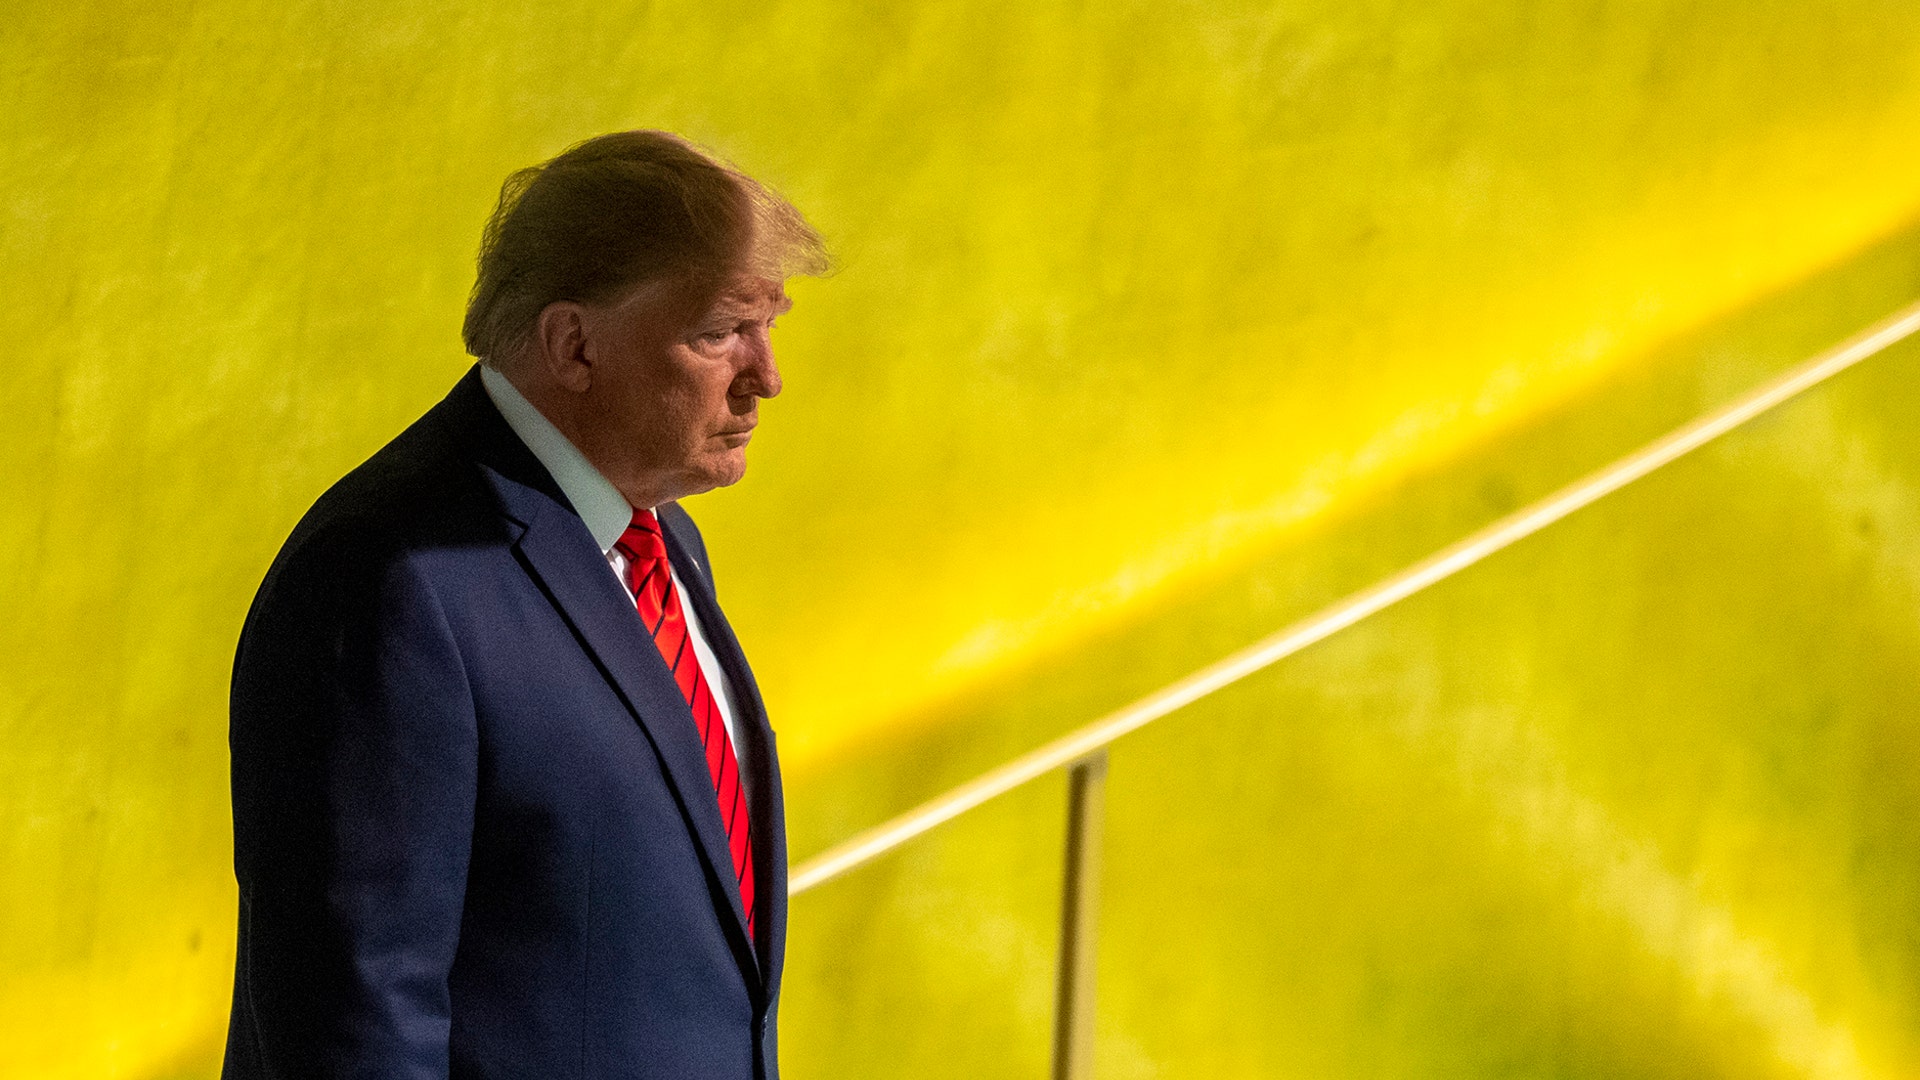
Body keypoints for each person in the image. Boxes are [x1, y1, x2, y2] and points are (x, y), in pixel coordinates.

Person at [223, 130, 828, 1080]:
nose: (766, 374)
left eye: (770, 324)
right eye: (717, 332)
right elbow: (358, 1017)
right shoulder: (390, 578)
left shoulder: (663, 538)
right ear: (573, 345)